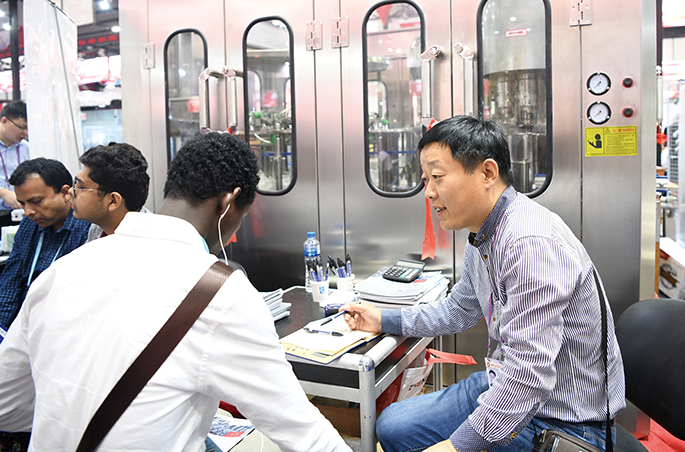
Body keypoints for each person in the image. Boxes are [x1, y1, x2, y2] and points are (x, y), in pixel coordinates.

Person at [0, 132, 351, 452]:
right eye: (242, 218)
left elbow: (7, 406)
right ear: (229, 202)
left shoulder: (60, 272)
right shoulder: (221, 292)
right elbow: (303, 434)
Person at [342, 116, 626, 452]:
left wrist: (456, 447)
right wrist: (383, 320)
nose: (428, 192)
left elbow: (529, 376)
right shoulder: (484, 233)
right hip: (504, 379)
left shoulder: (529, 243)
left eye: (437, 177)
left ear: (487, 173)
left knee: (423, 439)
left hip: (562, 421)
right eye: (425, 180)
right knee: (393, 426)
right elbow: (459, 309)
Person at [0, 158, 91, 329]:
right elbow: (11, 284)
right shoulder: (29, 224)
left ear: (65, 193)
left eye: (36, 201)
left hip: (62, 325)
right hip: (24, 324)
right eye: (22, 203)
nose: (28, 211)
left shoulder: (88, 228)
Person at [70, 142, 151, 240]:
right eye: (75, 184)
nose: (71, 191)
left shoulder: (149, 241)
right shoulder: (99, 227)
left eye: (82, 187)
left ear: (113, 201)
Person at [0, 101, 30, 227]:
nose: (25, 133)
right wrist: (3, 193)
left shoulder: (26, 148)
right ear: (4, 121)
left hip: (19, 215)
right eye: (22, 127)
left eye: (28, 128)